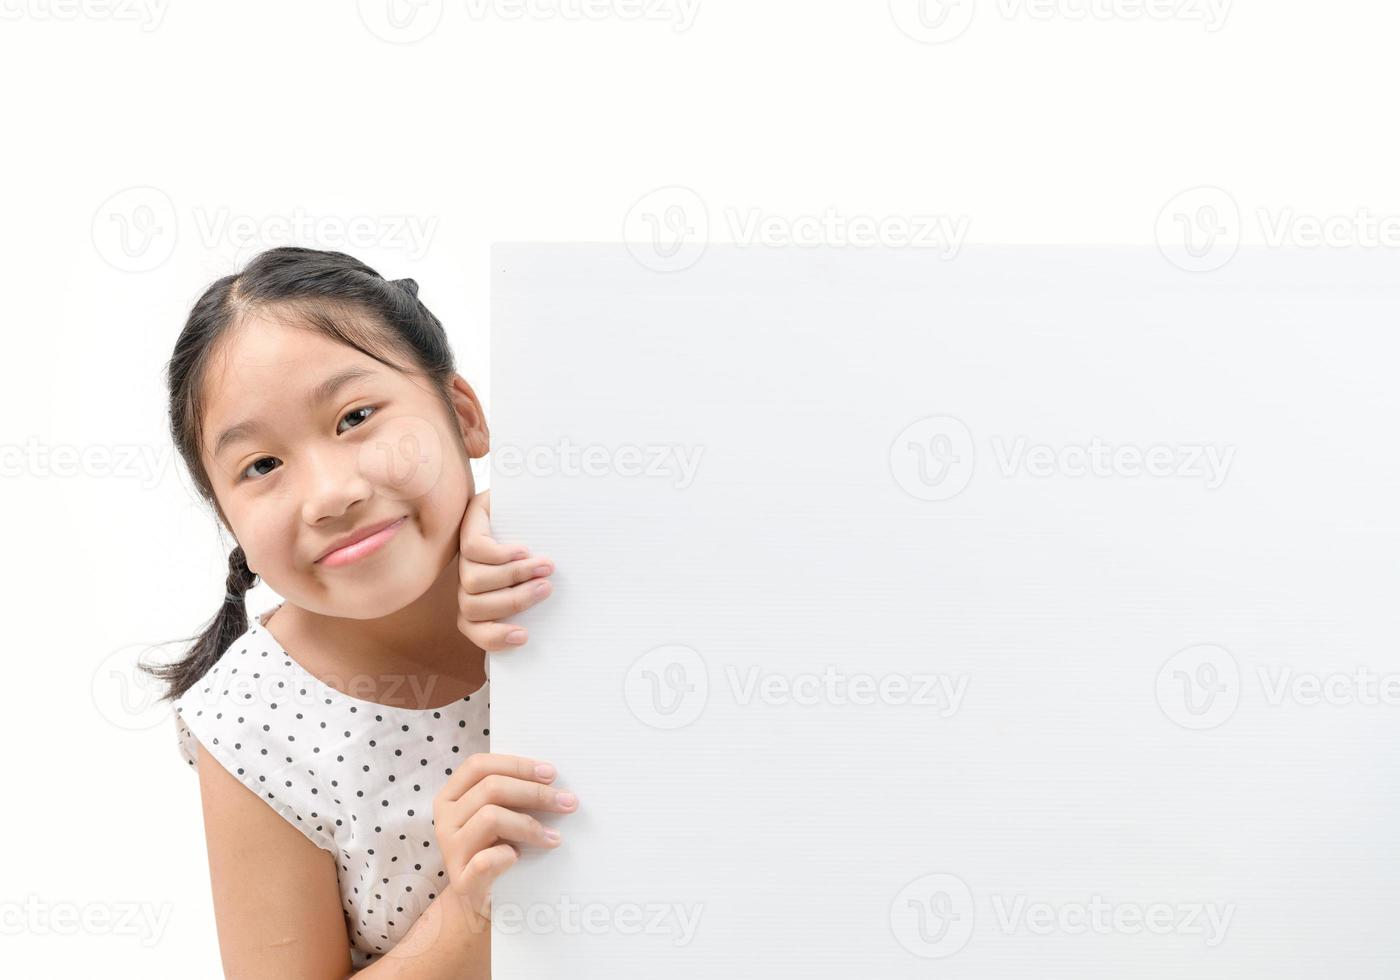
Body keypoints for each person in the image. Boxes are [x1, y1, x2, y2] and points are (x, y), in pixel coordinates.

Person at [140, 246, 576, 976]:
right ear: (229, 521)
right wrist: (472, 916)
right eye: (262, 466)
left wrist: (524, 516)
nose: (330, 493)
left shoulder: (571, 556)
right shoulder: (250, 724)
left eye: (355, 417)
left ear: (462, 415)